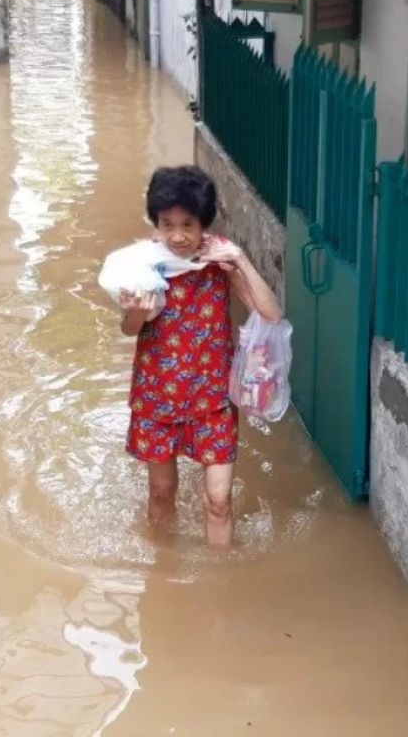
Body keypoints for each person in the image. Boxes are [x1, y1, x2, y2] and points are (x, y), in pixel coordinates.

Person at [118, 166, 282, 547]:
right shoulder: (145, 263)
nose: (177, 236)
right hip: (158, 397)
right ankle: (164, 576)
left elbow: (271, 314)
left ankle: (219, 588)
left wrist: (239, 259)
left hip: (213, 400)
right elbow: (129, 329)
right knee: (161, 493)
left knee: (220, 501)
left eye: (187, 225)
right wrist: (138, 309)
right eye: (167, 224)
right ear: (156, 223)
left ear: (203, 224)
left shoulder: (219, 259)